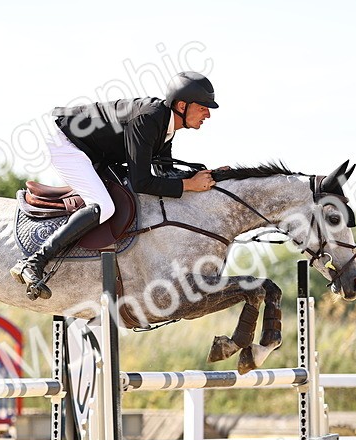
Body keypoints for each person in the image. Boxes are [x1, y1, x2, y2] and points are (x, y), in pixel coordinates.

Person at [12, 71, 220, 300]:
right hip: (66, 142)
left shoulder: (165, 126)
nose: (208, 114)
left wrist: (212, 177)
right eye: (203, 108)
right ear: (182, 105)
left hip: (92, 150)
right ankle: (34, 261)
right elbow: (142, 182)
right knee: (104, 206)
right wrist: (189, 184)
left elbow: (165, 173)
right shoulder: (149, 119)